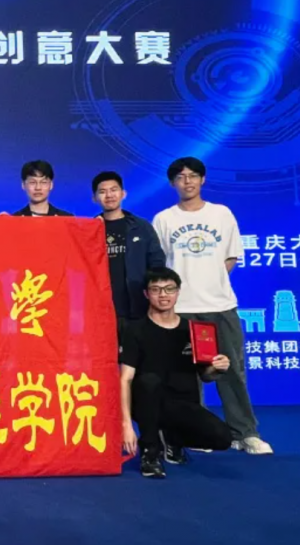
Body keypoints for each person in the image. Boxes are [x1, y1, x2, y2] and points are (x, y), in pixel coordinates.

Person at [152, 156, 272, 455]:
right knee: (185, 376)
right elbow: (160, 265)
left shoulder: (221, 214)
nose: (187, 181)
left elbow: (230, 258)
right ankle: (196, 433)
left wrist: (209, 281)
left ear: (202, 179)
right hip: (180, 309)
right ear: (173, 183)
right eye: (181, 177)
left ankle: (245, 433)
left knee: (231, 370)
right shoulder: (164, 219)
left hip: (220, 305)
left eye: (193, 176)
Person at [120, 268, 234, 479]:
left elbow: (206, 376)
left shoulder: (194, 330)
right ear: (146, 294)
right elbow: (125, 379)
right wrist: (126, 424)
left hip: (182, 403)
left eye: (169, 289)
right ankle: (150, 452)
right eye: (156, 289)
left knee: (222, 438)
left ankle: (173, 439)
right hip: (145, 403)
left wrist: (217, 367)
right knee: (149, 381)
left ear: (178, 292)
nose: (163, 295)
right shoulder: (135, 330)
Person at [91, 171, 166, 338]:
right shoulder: (89, 230)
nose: (109, 195)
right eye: (102, 192)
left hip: (138, 307)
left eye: (114, 190)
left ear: (123, 193)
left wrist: (154, 298)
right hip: (102, 309)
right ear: (94, 198)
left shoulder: (141, 227)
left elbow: (157, 264)